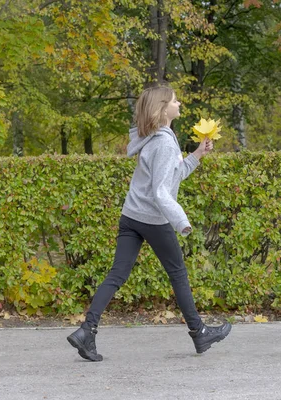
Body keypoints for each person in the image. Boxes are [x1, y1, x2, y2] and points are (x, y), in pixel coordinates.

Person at [67, 85, 231, 362]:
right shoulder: (165, 142)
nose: (179, 103)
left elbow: (171, 177)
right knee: (178, 273)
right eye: (175, 100)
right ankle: (199, 332)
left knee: (117, 275)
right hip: (153, 219)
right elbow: (160, 192)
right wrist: (181, 221)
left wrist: (197, 155)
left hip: (131, 216)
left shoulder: (154, 138)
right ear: (163, 107)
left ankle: (86, 330)